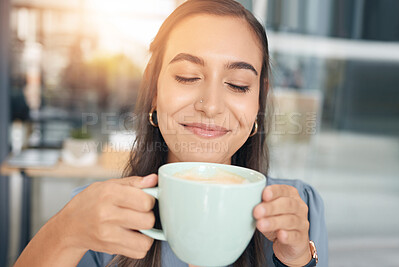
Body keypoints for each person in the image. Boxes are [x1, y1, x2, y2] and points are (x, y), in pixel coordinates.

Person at [14, 0, 328, 266]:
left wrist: (299, 260)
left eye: (238, 85)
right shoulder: (98, 212)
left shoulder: (300, 207)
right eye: (188, 76)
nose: (211, 106)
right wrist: (64, 232)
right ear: (153, 90)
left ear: (259, 99)